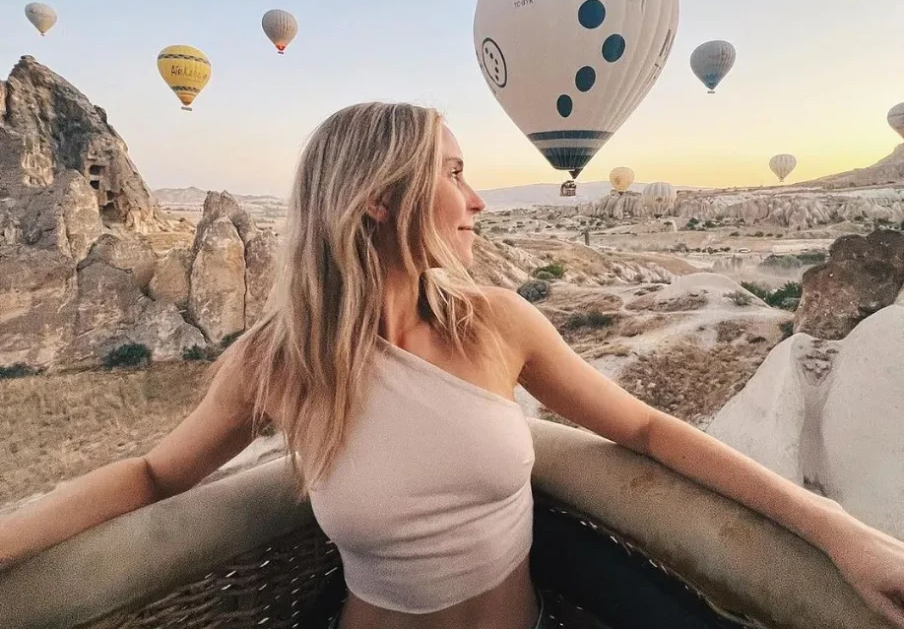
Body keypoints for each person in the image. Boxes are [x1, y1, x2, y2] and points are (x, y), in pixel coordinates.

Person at [2, 101, 904, 629]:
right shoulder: (282, 362)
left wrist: (837, 531)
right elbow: (155, 473)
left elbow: (647, 430)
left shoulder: (499, 324)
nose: (477, 200)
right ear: (381, 201)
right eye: (456, 173)